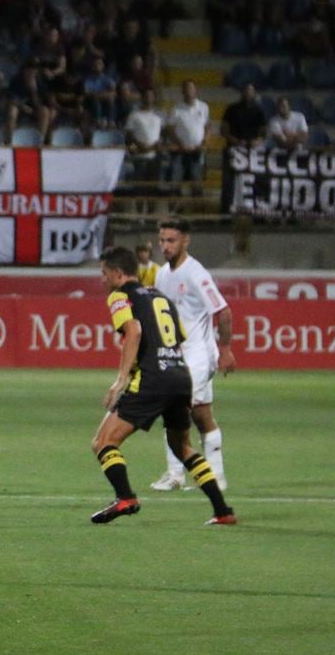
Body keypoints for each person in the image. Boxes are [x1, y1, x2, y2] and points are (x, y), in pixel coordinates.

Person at [88, 245, 236, 526]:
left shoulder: (120, 297)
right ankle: (223, 510)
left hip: (152, 379)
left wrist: (121, 380)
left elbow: (133, 331)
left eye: (104, 273)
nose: (102, 279)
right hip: (180, 376)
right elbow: (177, 340)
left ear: (118, 273)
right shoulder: (162, 297)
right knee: (182, 447)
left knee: (103, 442)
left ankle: (125, 497)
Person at [148, 217, 235, 492]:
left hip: (198, 355)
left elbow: (223, 310)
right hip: (177, 354)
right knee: (202, 416)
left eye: (171, 240)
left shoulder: (196, 273)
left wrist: (226, 350)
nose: (165, 246)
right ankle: (216, 475)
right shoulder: (162, 274)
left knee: (173, 408)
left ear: (186, 240)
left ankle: (176, 474)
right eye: (162, 240)